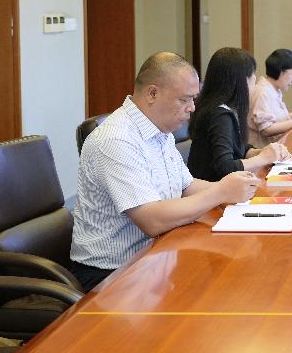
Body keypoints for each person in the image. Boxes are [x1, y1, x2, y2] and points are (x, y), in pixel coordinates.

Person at [70, 52, 262, 292]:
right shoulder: (116, 140)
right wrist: (221, 192)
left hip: (158, 254)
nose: (193, 108)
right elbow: (152, 220)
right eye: (185, 99)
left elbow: (186, 186)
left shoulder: (160, 132)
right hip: (113, 273)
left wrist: (239, 188)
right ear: (152, 93)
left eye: (194, 98)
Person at [187, 47, 292, 182]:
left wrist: (263, 152)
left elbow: (239, 150)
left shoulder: (221, 108)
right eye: (252, 74)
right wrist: (263, 158)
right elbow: (225, 166)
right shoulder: (219, 115)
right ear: (239, 80)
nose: (255, 78)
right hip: (212, 189)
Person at [247, 48, 292, 147]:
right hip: (262, 151)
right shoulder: (262, 92)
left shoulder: (273, 89)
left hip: (275, 147)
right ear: (280, 72)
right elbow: (266, 129)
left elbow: (277, 119)